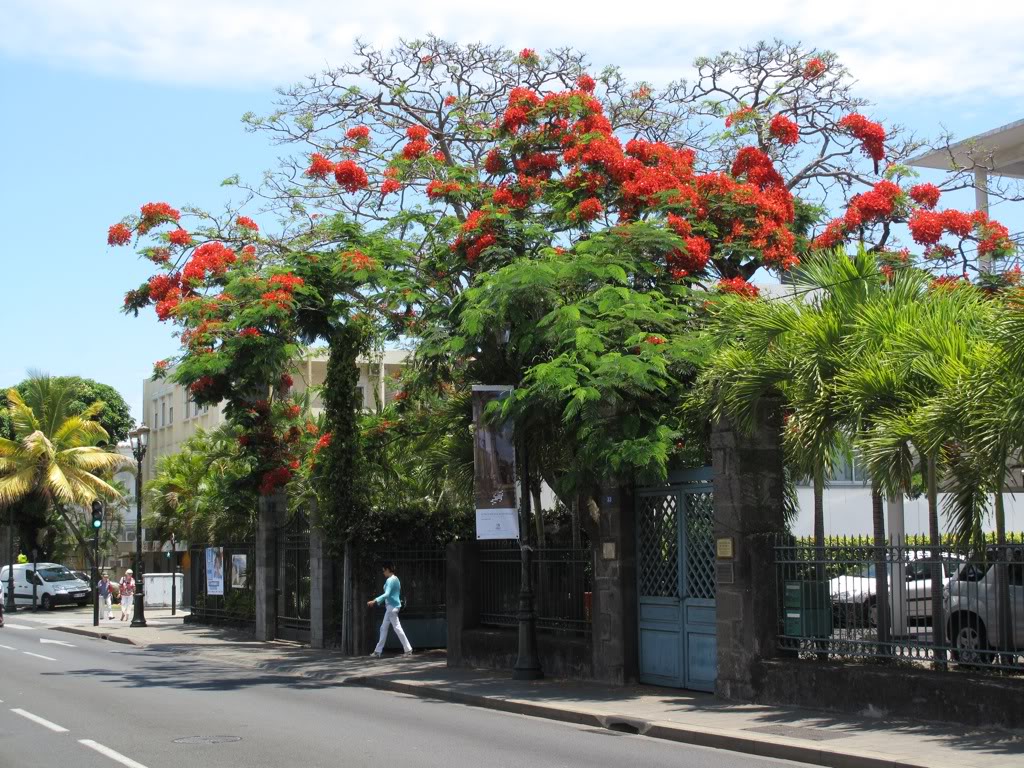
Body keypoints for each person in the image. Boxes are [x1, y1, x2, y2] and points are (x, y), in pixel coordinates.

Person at [367, 562, 412, 658]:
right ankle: (378, 651)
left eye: (383, 570)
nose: (383, 572)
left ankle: (407, 649)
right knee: (385, 628)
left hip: (391, 607)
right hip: (393, 607)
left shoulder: (390, 580)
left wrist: (375, 600)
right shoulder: (396, 579)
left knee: (395, 628)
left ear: (387, 569)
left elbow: (387, 594)